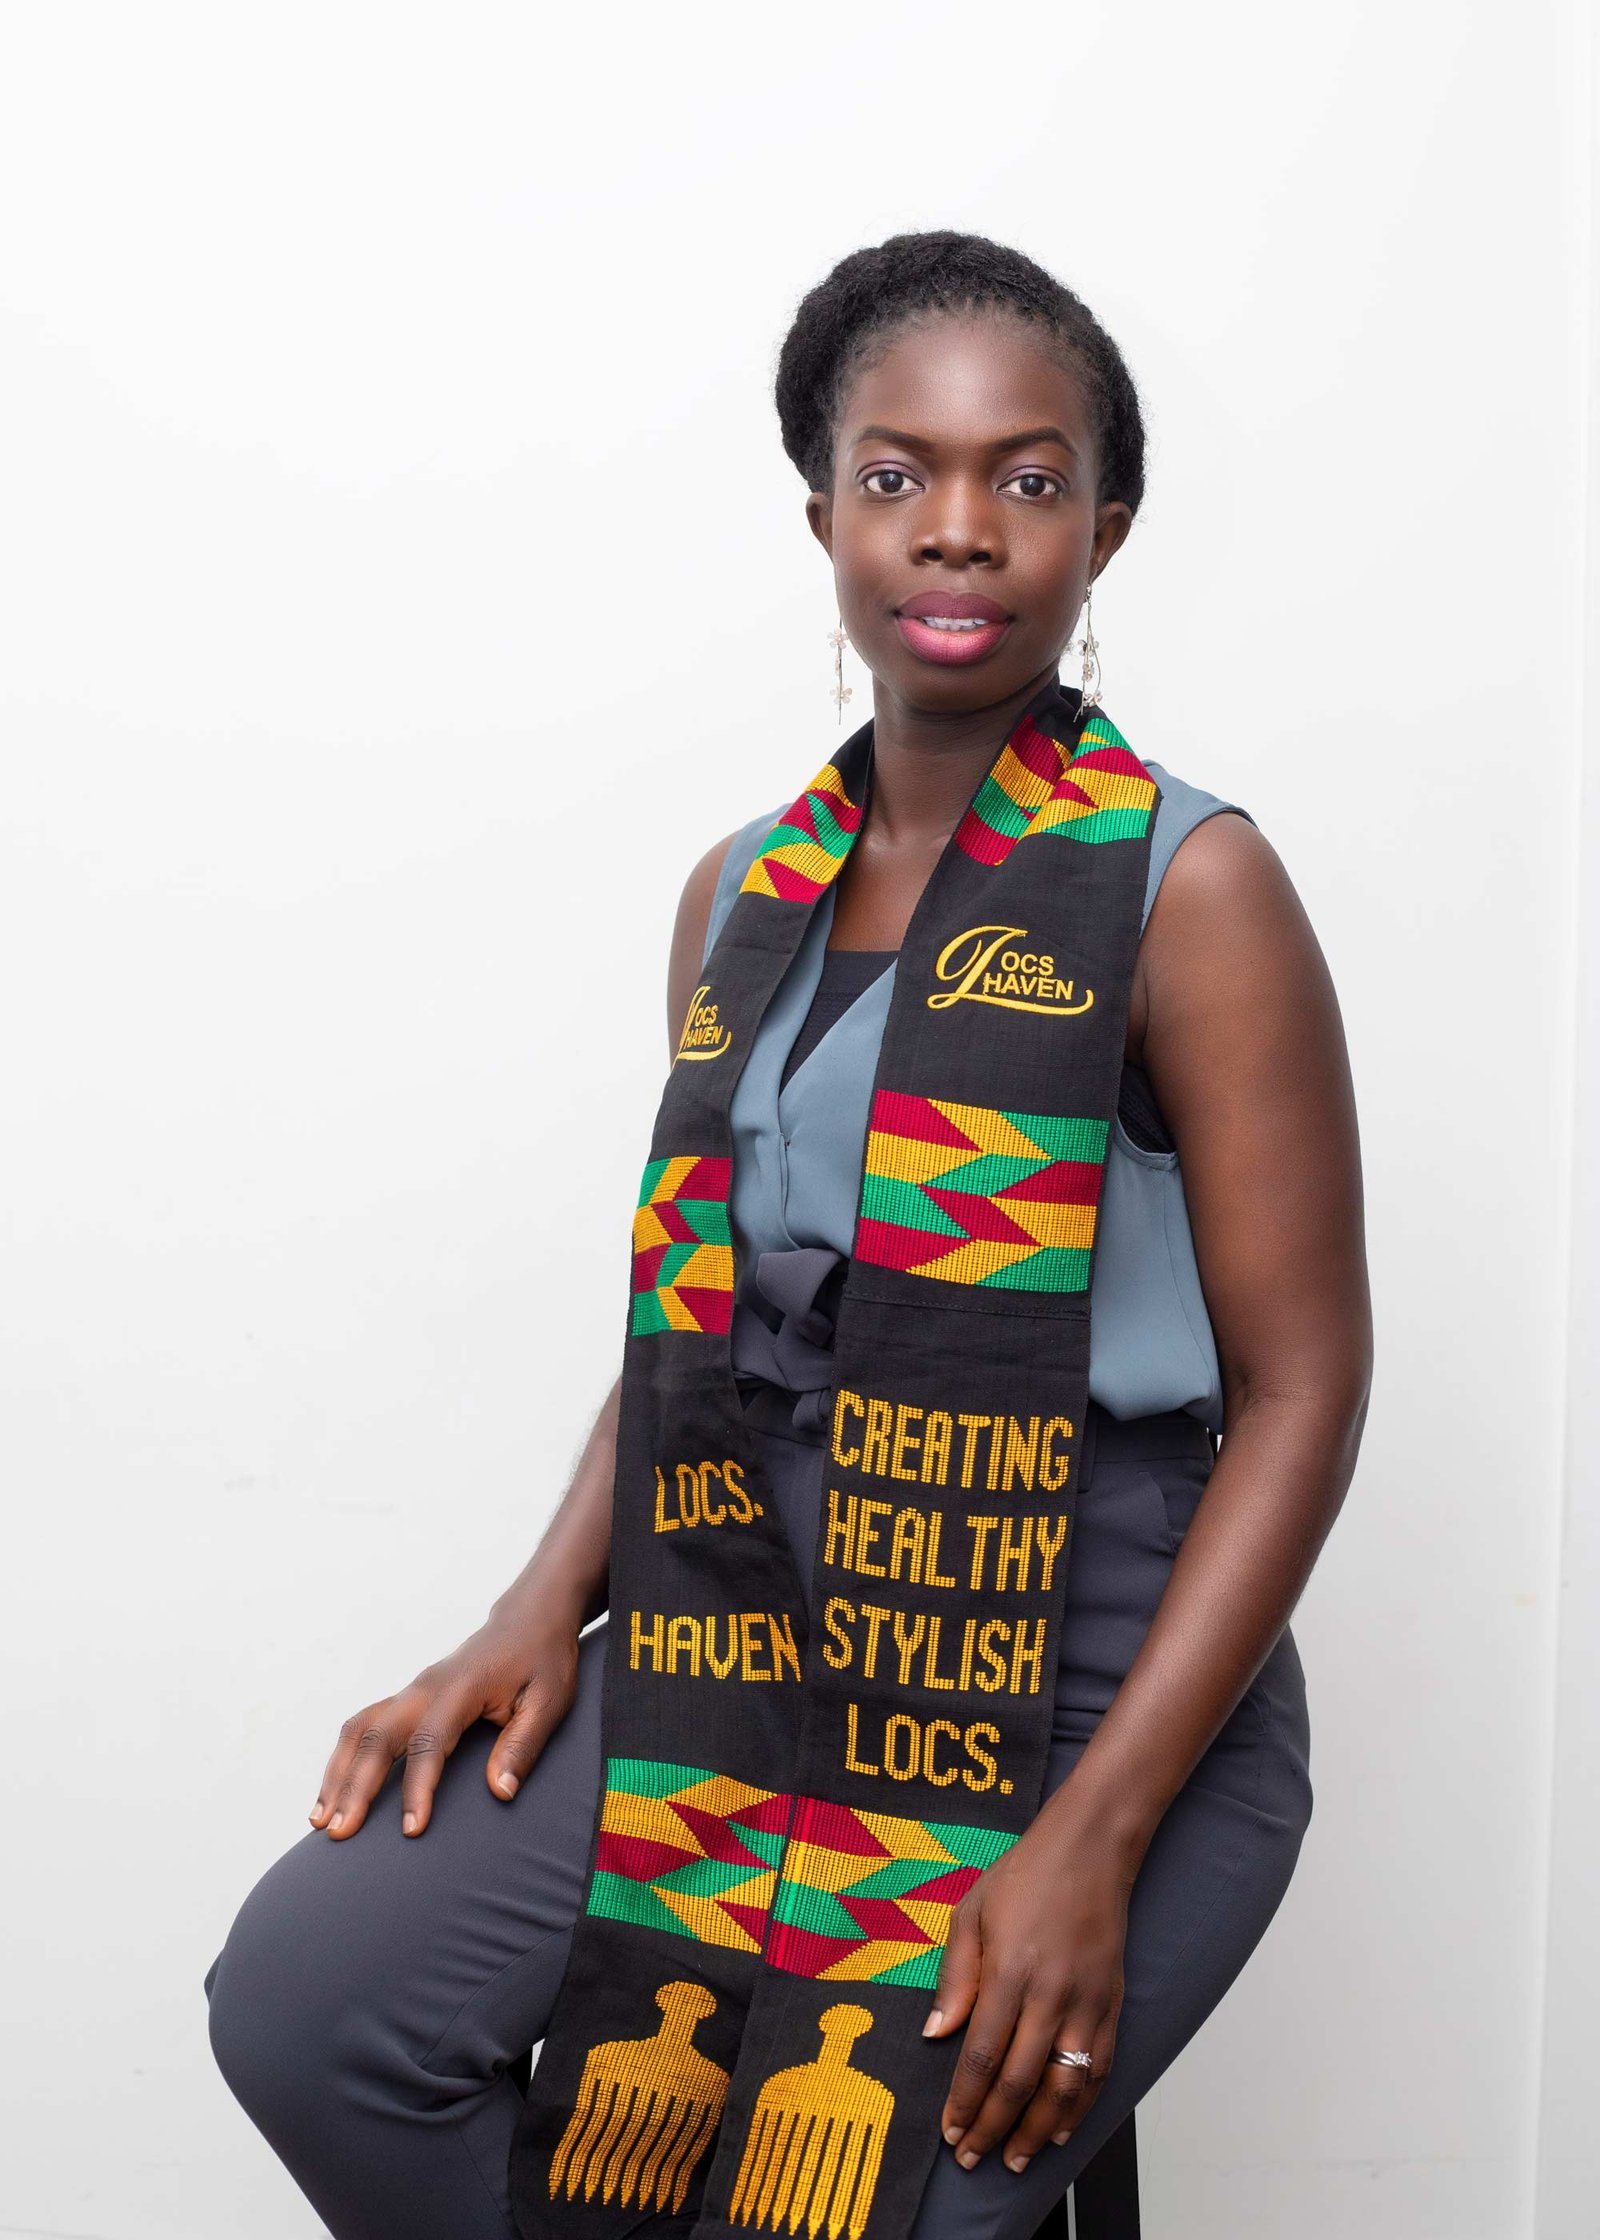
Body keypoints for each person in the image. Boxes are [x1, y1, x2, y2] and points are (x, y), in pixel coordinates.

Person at [204, 229, 1372, 2240]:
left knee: (827, 2192)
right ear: (823, 514)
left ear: (1105, 529)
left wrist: (1093, 1834)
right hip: (747, 1613)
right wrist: (531, 1612)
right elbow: (695, 1326)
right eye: (896, 473)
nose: (957, 527)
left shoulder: (1191, 891)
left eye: (1026, 477)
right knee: (320, 2004)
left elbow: (1302, 1387)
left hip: (1096, 1657)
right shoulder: (737, 895)